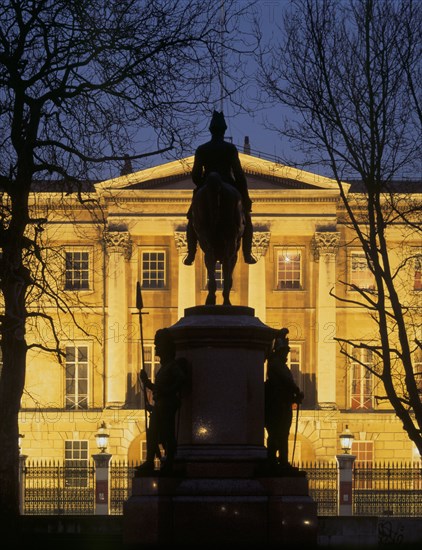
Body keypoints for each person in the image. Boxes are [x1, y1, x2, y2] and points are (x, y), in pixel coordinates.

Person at [183, 110, 257, 265]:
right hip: (228, 183)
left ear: (210, 130)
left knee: (192, 219)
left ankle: (190, 253)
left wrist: (203, 182)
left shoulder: (202, 149)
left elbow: (195, 175)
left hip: (206, 184)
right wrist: (245, 196)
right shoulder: (230, 149)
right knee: (246, 219)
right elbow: (239, 174)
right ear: (224, 130)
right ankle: (247, 253)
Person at [136, 328, 188, 475]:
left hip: (167, 405)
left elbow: (181, 380)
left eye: (158, 345)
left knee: (166, 434)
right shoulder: (164, 368)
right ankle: (150, 461)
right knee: (152, 434)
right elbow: (158, 389)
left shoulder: (172, 366)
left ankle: (169, 461)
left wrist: (168, 392)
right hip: (160, 405)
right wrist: (146, 382)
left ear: (166, 347)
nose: (156, 347)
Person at [264, 328, 304, 470]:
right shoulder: (275, 363)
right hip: (276, 404)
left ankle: (282, 460)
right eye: (285, 351)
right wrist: (296, 391)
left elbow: (288, 383)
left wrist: (295, 394)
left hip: (283, 403)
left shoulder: (280, 364)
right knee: (277, 433)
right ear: (280, 351)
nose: (287, 354)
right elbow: (287, 382)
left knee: (283, 433)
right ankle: (275, 460)